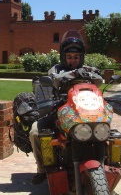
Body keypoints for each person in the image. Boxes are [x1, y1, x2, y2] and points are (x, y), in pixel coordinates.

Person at [29, 30, 103, 185]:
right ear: (63, 57)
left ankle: (106, 166)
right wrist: (72, 75)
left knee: (105, 132)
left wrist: (89, 74)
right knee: (35, 132)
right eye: (69, 57)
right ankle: (42, 169)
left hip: (85, 113)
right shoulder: (56, 70)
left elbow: (99, 80)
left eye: (76, 57)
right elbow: (54, 80)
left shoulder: (89, 70)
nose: (73, 60)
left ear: (81, 57)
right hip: (60, 113)